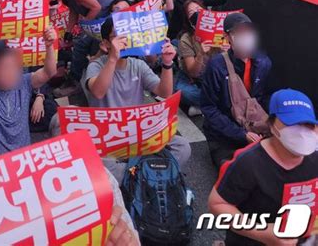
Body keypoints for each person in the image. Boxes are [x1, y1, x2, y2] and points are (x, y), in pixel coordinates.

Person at [83, 17, 191, 179]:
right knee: (94, 162)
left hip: (139, 135)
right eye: (118, 37)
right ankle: (148, 174)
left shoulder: (137, 65)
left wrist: (167, 63)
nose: (124, 41)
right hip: (110, 139)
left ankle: (136, 175)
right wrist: (113, 58)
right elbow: (98, 92)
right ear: (105, 44)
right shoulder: (96, 66)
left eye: (127, 35)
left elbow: (164, 93)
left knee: (182, 146)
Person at [209, 89, 318, 246]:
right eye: (292, 123)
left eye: (308, 125)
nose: (302, 132)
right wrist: (264, 233)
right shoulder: (248, 162)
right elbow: (217, 204)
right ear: (272, 124)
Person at [0, 27, 57, 162]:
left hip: (21, 162)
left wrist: (49, 47)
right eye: (3, 67)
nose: (9, 73)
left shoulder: (24, 83)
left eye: (14, 68)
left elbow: (49, 72)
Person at [201, 13, 272, 169]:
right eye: (240, 32)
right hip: (224, 135)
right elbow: (208, 108)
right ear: (228, 37)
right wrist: (241, 134)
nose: (246, 36)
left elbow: (263, 98)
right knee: (236, 171)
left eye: (249, 31)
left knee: (271, 167)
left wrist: (274, 122)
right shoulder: (216, 66)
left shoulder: (263, 63)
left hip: (254, 126)